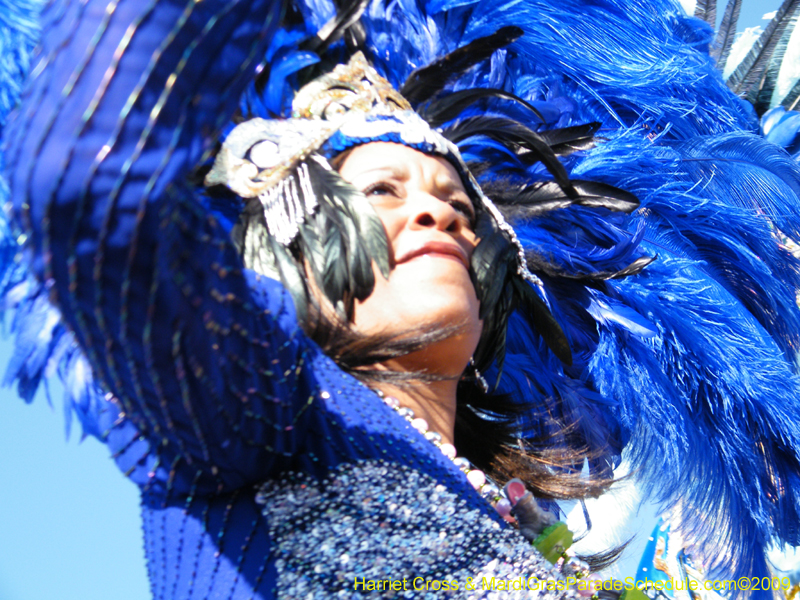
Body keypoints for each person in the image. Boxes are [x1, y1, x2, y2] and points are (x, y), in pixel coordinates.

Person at [2, 0, 800, 597]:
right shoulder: (256, 408)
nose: (440, 214)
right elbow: (91, 188)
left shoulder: (537, 536)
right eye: (383, 189)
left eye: (460, 206)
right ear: (281, 245)